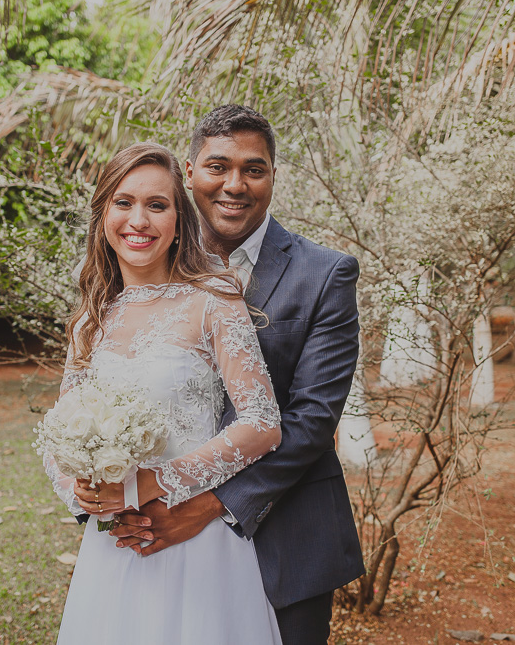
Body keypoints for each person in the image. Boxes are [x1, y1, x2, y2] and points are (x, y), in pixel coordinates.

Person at [109, 105, 365, 645]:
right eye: (217, 166)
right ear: (189, 172)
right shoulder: (141, 261)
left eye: (254, 169)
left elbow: (314, 418)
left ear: (273, 175)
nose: (235, 185)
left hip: (288, 534)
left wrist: (206, 506)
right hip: (156, 531)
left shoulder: (324, 275)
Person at [45, 141, 285, 644]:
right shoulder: (89, 321)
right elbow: (57, 436)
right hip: (112, 545)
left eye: (157, 205)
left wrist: (153, 484)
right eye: (124, 202)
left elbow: (262, 424)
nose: (140, 220)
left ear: (179, 220)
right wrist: (82, 492)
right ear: (102, 214)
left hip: (196, 544)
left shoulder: (213, 301)